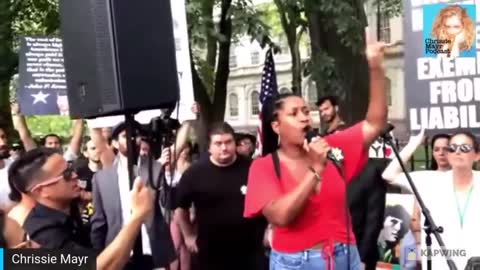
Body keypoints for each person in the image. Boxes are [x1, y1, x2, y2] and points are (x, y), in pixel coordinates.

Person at [243, 34, 388, 270]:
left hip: (344, 255)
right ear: (276, 126)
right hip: (296, 262)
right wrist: (315, 170)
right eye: (294, 113)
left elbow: (375, 123)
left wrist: (375, 66)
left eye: (305, 110)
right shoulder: (264, 167)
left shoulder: (332, 147)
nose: (304, 116)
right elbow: (280, 217)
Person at [7, 147, 162, 270]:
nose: (75, 175)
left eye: (71, 169)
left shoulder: (68, 207)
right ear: (42, 190)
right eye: (66, 174)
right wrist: (137, 216)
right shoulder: (43, 235)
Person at [175, 122, 268, 270]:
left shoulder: (253, 168)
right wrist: (188, 236)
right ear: (209, 147)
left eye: (228, 142)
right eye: (218, 143)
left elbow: (268, 202)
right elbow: (180, 207)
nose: (224, 148)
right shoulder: (194, 173)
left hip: (250, 252)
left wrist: (268, 229)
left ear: (234, 143)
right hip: (210, 253)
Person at [385, 131, 480, 270]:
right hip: (440, 264)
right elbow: (389, 174)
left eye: (464, 148)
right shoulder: (430, 180)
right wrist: (414, 143)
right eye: (452, 148)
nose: (458, 152)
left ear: (477, 155)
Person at [90, 121, 176, 270]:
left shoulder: (154, 168)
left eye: (136, 135)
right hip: (119, 254)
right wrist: (99, 257)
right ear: (115, 143)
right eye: (125, 136)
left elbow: (168, 203)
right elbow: (99, 222)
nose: (132, 139)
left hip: (151, 252)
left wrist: (166, 174)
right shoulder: (101, 178)